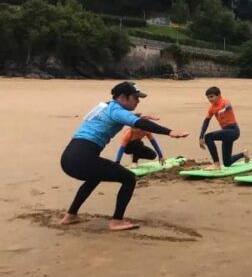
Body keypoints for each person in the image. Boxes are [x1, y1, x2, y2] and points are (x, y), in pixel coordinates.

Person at [60, 82, 188, 231]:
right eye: (135, 98)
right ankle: (116, 221)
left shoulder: (106, 106)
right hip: (83, 157)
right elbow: (139, 123)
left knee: (94, 177)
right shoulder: (117, 111)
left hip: (69, 158)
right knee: (128, 178)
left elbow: (113, 116)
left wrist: (136, 115)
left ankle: (70, 216)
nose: (138, 101)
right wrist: (170, 132)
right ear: (122, 97)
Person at [199, 86, 249, 171]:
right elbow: (206, 121)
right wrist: (200, 136)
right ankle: (243, 154)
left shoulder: (224, 102)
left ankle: (216, 164)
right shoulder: (212, 107)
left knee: (208, 137)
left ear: (218, 95)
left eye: (211, 96)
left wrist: (224, 109)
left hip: (233, 131)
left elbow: (228, 105)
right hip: (226, 133)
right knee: (227, 162)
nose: (209, 99)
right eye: (208, 97)